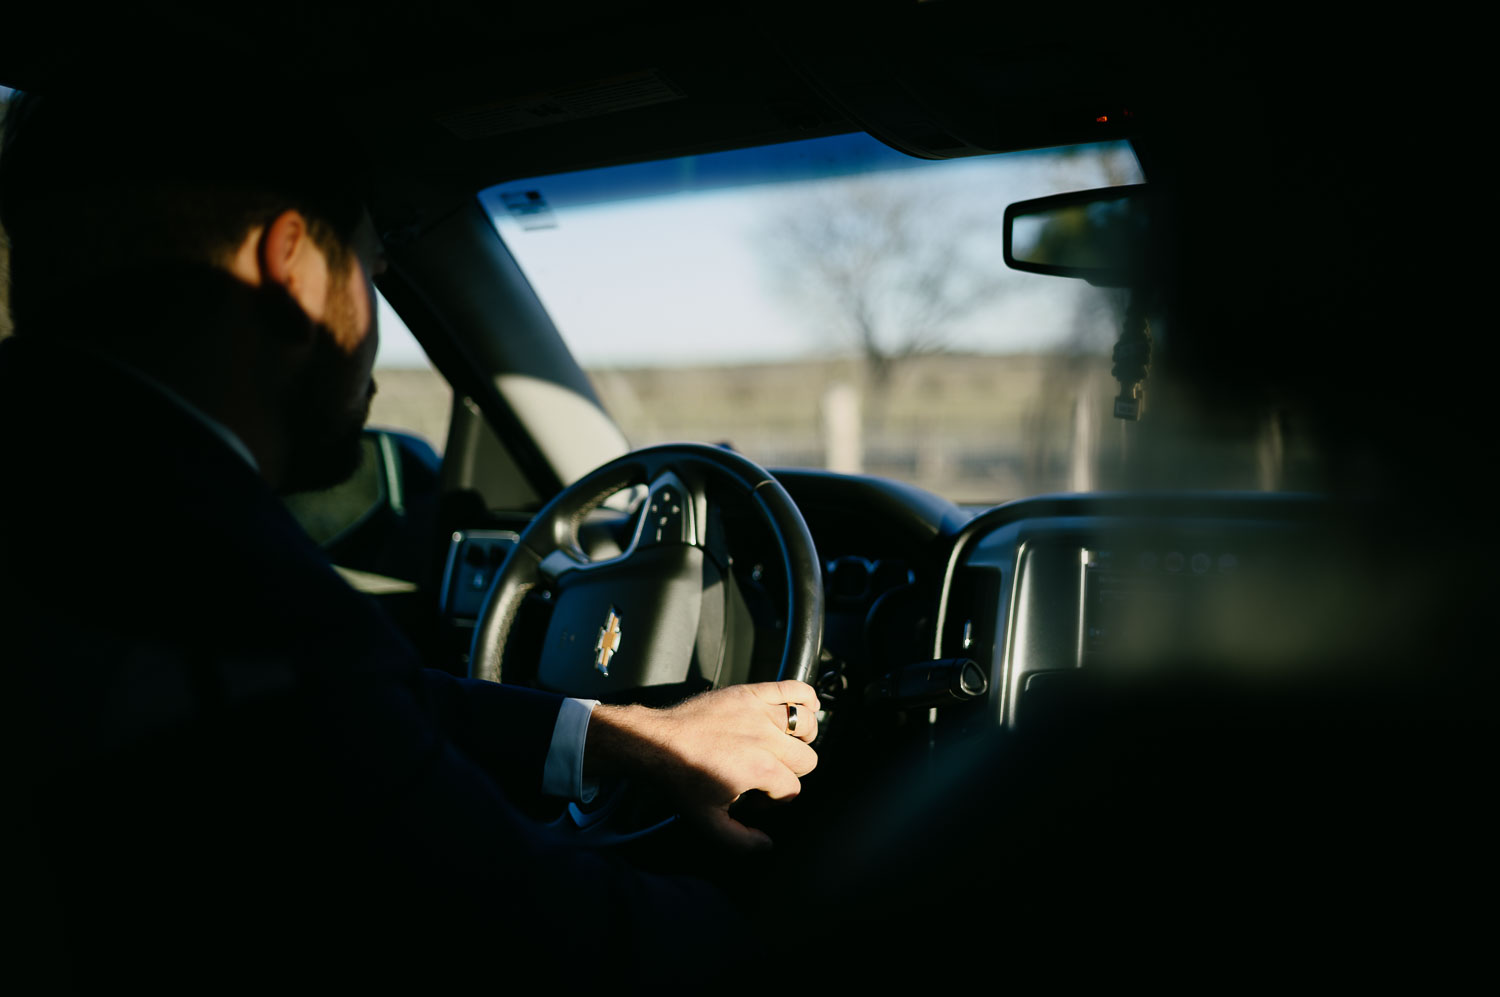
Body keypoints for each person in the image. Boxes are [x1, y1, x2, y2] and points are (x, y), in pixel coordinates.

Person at [1, 89, 817, 988]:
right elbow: (554, 937)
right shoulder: (234, 597)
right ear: (292, 269)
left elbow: (382, 708)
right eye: (372, 266)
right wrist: (833, 907)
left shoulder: (76, 510)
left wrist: (628, 736)